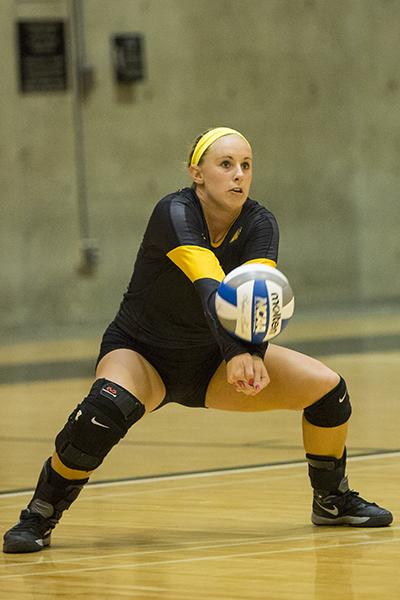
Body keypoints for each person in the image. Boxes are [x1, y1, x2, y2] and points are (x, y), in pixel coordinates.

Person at [3, 126, 392, 554]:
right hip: (142, 353)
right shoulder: (174, 212)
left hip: (210, 364)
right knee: (101, 413)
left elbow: (257, 297)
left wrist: (252, 353)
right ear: (197, 173)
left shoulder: (260, 222)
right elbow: (212, 289)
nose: (238, 175)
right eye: (225, 165)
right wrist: (238, 354)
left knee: (329, 391)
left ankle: (331, 501)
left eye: (246, 165)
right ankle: (38, 515)